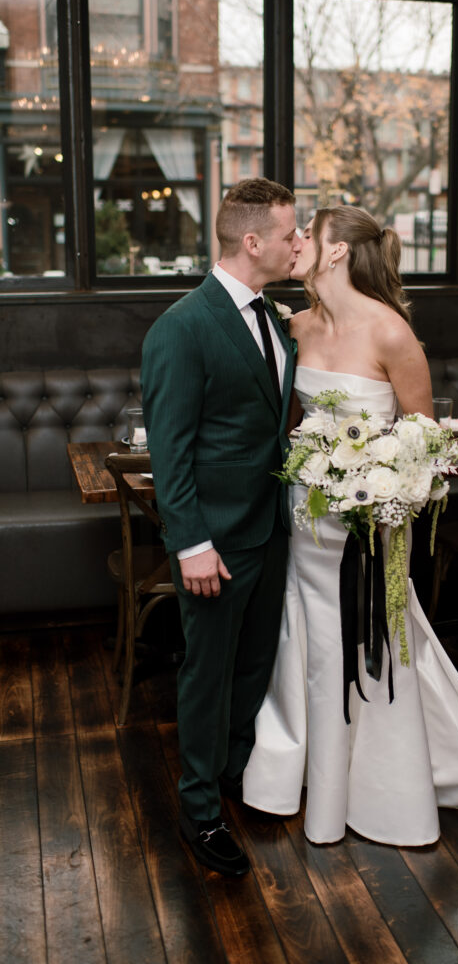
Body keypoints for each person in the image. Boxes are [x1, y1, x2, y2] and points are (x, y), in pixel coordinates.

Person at [242, 204, 458, 846]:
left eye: (309, 235)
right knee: (307, 640)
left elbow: (424, 442)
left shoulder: (392, 333)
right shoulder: (294, 327)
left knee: (374, 638)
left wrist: (386, 487)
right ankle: (308, 768)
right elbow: (286, 427)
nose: (300, 243)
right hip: (307, 518)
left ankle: (380, 780)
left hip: (373, 522)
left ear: (337, 252)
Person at [140, 178, 301, 875]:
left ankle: (235, 772)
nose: (299, 243)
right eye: (290, 233)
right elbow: (168, 451)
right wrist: (192, 546)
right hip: (216, 542)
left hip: (272, 528)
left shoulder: (274, 314)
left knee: (254, 663)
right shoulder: (180, 327)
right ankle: (200, 812)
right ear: (252, 240)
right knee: (207, 675)